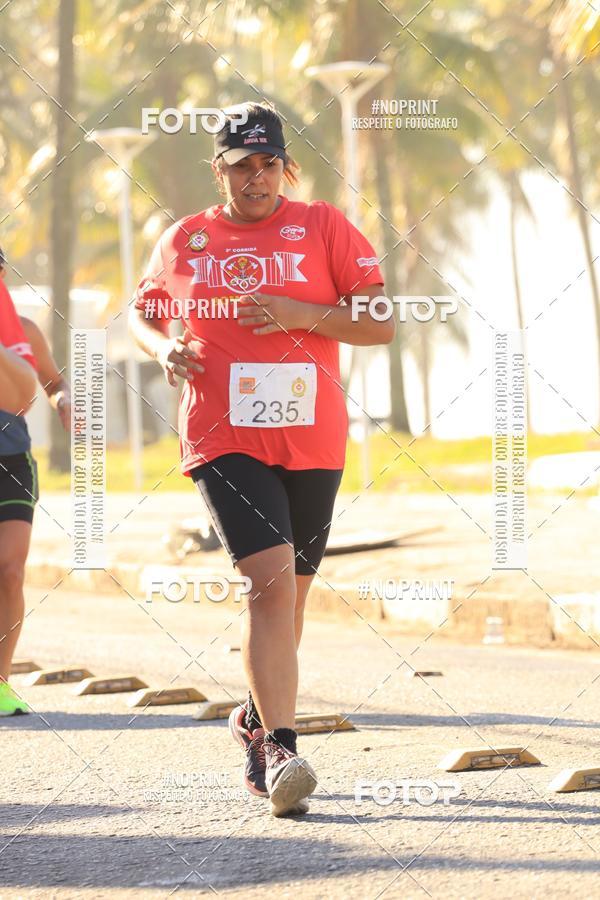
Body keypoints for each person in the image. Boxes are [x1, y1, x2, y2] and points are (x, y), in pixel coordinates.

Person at [129, 101, 394, 816]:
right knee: (270, 586)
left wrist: (301, 312)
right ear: (219, 169)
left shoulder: (323, 228)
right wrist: (165, 349)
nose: (256, 176)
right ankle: (280, 748)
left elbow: (380, 321)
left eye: (267, 162)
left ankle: (252, 715)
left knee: (294, 598)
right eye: (240, 164)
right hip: (223, 436)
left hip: (312, 438)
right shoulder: (188, 240)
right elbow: (144, 311)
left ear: (285, 166)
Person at [0, 251, 71, 716]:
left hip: (11, 457)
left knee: (9, 570)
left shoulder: (24, 330)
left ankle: (1, 682)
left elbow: (52, 381)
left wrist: (64, 400)